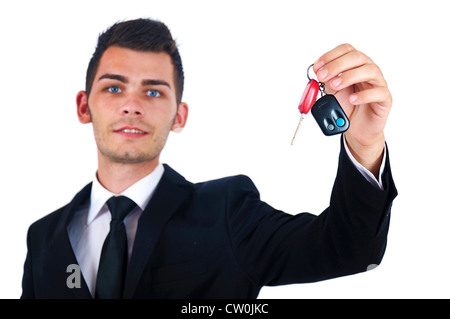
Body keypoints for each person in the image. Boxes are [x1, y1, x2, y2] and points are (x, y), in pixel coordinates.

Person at [21, 18, 397, 299]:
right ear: (84, 106)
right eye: (114, 87)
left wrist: (364, 145)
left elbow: (349, 249)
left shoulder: (228, 213)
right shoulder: (43, 238)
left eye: (153, 92)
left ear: (179, 116)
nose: (131, 106)